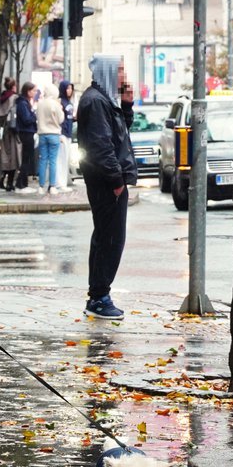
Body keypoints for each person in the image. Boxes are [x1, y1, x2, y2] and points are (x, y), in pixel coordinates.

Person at [76, 55, 138, 320]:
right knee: (110, 239)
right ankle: (99, 297)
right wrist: (116, 181)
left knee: (108, 237)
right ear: (109, 71)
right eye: (121, 70)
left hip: (110, 180)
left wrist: (127, 103)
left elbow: (120, 131)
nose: (124, 74)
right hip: (106, 182)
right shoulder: (95, 101)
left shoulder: (104, 99)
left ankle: (99, 295)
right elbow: (101, 145)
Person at [36, 82, 65, 195]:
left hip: (42, 134)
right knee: (53, 161)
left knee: (43, 160)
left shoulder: (40, 103)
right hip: (54, 134)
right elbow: (61, 119)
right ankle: (52, 186)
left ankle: (41, 186)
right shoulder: (55, 104)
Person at [0, 77, 21, 192]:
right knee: (14, 157)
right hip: (13, 130)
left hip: (5, 128)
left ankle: (2, 179)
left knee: (6, 156)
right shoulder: (14, 98)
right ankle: (9, 182)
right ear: (13, 86)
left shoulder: (2, 98)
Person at [15, 82, 38, 192]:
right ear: (28, 91)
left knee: (27, 159)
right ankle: (21, 184)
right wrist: (34, 116)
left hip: (28, 132)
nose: (35, 93)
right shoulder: (23, 104)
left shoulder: (25, 103)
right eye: (33, 90)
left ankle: (23, 183)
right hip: (26, 133)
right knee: (26, 159)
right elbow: (27, 119)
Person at [57, 80, 75, 189]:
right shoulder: (61, 102)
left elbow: (69, 118)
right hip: (62, 134)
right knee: (61, 160)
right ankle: (60, 184)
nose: (70, 90)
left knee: (66, 159)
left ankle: (64, 182)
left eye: (71, 88)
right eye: (67, 88)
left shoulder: (69, 103)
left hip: (68, 134)